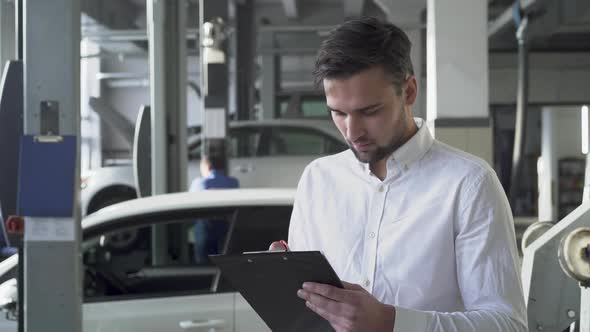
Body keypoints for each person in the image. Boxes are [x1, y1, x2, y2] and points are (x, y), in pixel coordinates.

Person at [270, 17, 527, 332]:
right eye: (338, 113)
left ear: (408, 91)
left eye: (369, 111)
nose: (352, 132)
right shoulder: (317, 179)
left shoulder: (468, 184)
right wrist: (283, 283)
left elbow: (507, 324)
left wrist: (392, 323)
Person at [190, 153, 239, 264]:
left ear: (207, 167)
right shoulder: (233, 182)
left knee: (203, 265)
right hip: (227, 228)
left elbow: (189, 206)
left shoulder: (200, 183)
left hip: (205, 230)